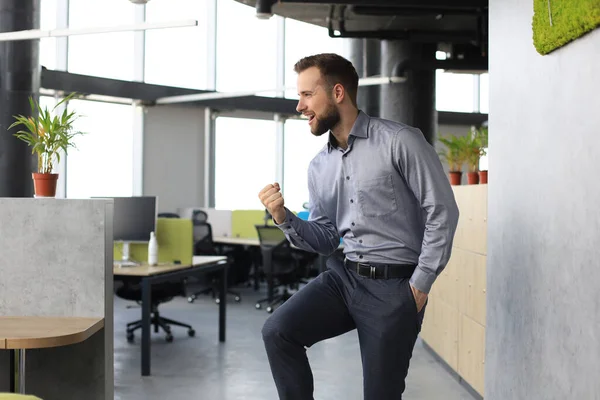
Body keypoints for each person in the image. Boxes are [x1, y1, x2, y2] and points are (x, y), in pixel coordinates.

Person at [257, 53, 459, 400]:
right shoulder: (319, 167)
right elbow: (324, 239)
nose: (299, 106)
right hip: (344, 278)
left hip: (394, 288)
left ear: (337, 93)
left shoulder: (400, 141)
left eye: (307, 95)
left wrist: (420, 286)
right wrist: (283, 218)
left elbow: (442, 211)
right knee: (279, 330)